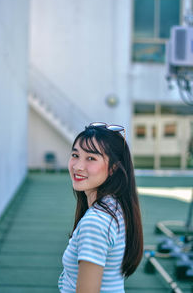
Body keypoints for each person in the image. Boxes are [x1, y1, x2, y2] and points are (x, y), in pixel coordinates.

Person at [58, 122, 143, 293]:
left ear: (113, 168)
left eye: (91, 158)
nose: (78, 166)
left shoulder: (95, 222)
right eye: (75, 155)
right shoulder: (116, 206)